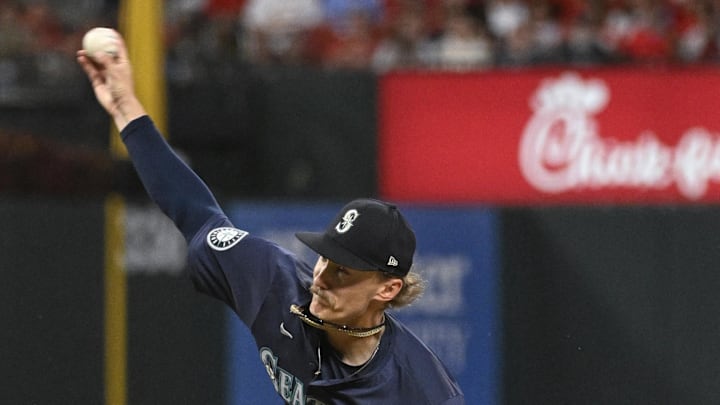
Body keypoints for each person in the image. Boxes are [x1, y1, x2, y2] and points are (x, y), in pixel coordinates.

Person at [76, 29, 464, 404]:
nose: (321, 279)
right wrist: (125, 104)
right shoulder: (275, 285)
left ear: (387, 290)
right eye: (325, 258)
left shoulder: (421, 391)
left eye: (344, 272)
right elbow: (194, 213)